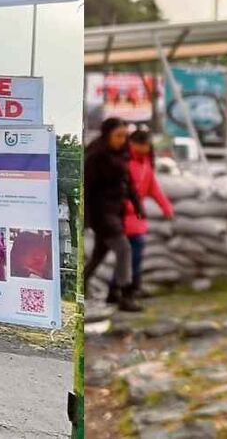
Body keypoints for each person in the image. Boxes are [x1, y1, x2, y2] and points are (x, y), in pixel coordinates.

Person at [83, 117, 144, 312]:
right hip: (102, 213)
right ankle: (125, 294)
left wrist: (137, 205)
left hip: (117, 211)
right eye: (118, 136)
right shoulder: (96, 156)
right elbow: (86, 188)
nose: (121, 140)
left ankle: (81, 285)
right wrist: (86, 218)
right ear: (107, 135)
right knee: (124, 249)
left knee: (99, 254)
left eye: (124, 136)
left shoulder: (123, 154)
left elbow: (129, 183)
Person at [106, 128, 174, 303]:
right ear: (134, 144)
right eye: (144, 144)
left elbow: (154, 189)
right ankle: (126, 290)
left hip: (136, 218)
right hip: (121, 216)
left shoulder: (145, 164)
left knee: (131, 255)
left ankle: (120, 289)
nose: (147, 148)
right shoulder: (124, 162)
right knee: (130, 254)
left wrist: (166, 208)